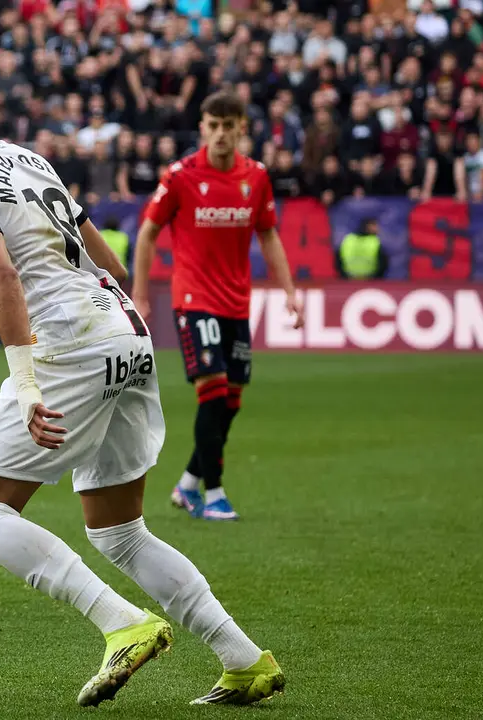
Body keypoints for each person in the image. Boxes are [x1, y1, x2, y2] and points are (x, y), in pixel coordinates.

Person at [0, 49, 284, 707]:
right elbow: (92, 244)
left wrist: (27, 384)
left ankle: (123, 624)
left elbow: (0, 274)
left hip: (69, 345)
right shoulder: (30, 158)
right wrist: (129, 319)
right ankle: (244, 659)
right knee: (118, 530)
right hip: (122, 330)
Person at [132, 91, 305, 522]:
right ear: (203, 128)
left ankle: (188, 483)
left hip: (236, 302)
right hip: (194, 299)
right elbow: (148, 233)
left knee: (230, 400)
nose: (221, 133)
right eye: (214, 125)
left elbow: (268, 235)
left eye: (230, 125)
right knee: (212, 394)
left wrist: (289, 291)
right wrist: (138, 293)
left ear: (242, 128)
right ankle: (214, 495)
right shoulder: (181, 175)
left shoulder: (257, 177)